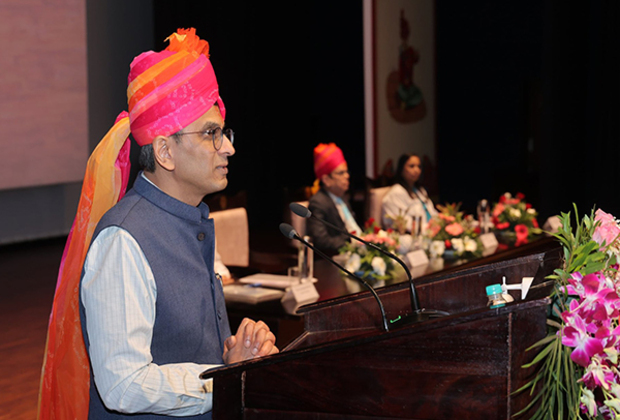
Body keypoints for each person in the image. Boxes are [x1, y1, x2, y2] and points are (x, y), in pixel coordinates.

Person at [78, 28, 278, 418]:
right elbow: (123, 385)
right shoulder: (124, 239)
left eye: (224, 132)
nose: (229, 148)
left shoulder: (189, 220)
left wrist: (239, 352)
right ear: (165, 151)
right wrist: (223, 377)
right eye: (211, 134)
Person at [307, 143, 362, 255]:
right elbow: (321, 241)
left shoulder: (342, 197)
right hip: (336, 259)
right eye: (341, 173)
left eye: (346, 171)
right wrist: (352, 242)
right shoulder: (318, 202)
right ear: (326, 180)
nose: (347, 176)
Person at [381, 153, 437, 233]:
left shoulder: (420, 191)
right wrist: (430, 229)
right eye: (411, 166)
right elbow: (405, 224)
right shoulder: (396, 193)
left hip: (430, 233)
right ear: (401, 169)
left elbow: (432, 213)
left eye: (419, 166)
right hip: (412, 237)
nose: (416, 170)